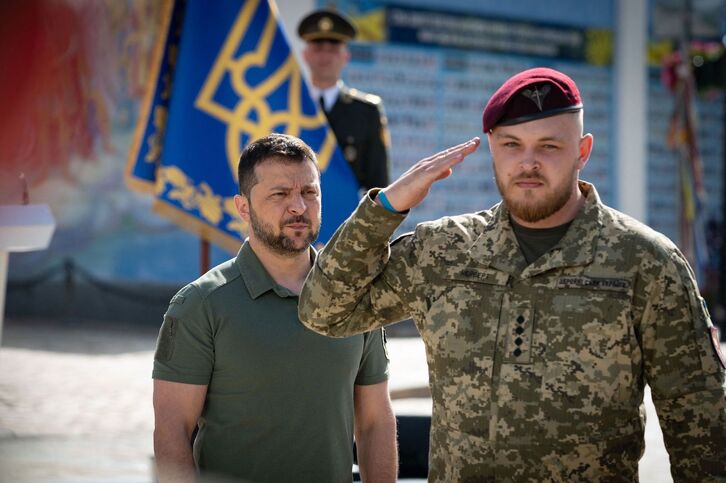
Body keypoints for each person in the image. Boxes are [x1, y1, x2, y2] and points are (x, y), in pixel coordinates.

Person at [299, 68, 726, 481]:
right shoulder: (444, 251)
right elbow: (323, 311)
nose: (528, 163)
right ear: (491, 148)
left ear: (582, 150)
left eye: (549, 147)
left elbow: (701, 427)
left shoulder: (646, 262)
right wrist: (384, 210)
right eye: (511, 145)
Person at [152, 133, 397, 482]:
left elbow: (375, 421)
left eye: (309, 192)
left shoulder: (354, 296)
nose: (298, 206)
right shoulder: (199, 305)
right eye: (280, 194)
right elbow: (172, 432)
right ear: (243, 208)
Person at [297, 8, 390, 192]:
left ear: (345, 56)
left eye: (332, 49)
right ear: (306, 54)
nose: (325, 56)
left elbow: (377, 182)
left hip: (348, 215)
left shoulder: (367, 111)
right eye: (318, 48)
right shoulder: (288, 104)